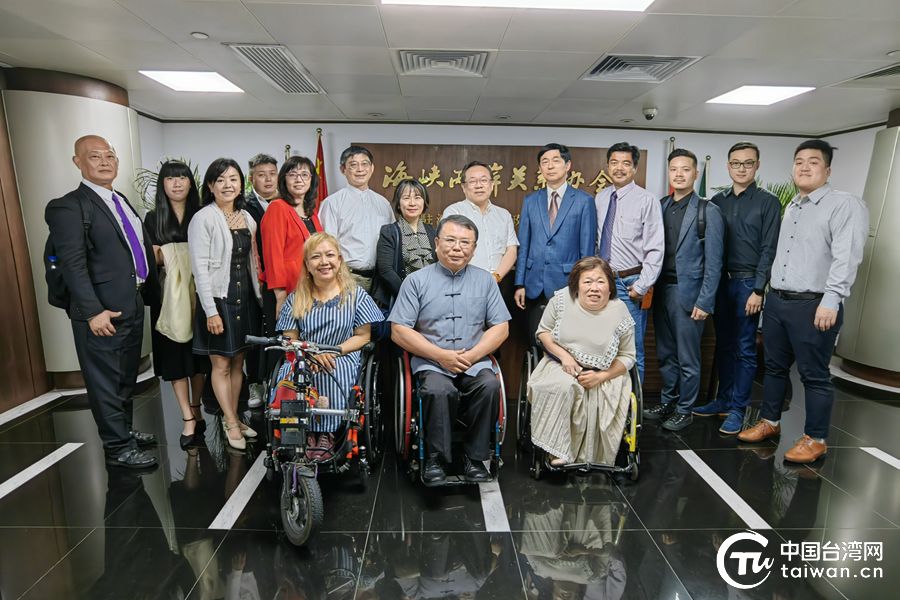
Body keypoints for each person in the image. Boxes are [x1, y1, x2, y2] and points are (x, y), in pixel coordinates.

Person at [738, 140, 868, 463]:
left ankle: (816, 439)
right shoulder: (793, 206)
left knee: (814, 374)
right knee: (774, 367)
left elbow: (847, 257)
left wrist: (832, 299)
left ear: (828, 170)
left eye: (813, 162)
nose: (804, 167)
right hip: (778, 301)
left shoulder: (844, 205)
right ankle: (770, 422)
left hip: (815, 304)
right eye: (799, 162)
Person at [44, 135, 159, 469]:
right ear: (77, 162)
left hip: (130, 304)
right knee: (104, 383)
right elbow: (72, 264)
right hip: (100, 312)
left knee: (124, 378)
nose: (105, 162)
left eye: (110, 155)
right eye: (95, 156)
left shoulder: (118, 200)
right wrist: (93, 311)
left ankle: (123, 431)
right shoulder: (68, 206)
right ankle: (118, 448)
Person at [389, 215, 511, 484]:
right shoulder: (416, 281)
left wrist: (473, 355)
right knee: (438, 389)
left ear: (474, 248)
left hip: (474, 360)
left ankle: (475, 458)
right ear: (436, 243)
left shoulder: (485, 281)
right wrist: (440, 356)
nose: (457, 247)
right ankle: (435, 459)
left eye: (465, 242)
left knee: (489, 385)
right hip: (432, 361)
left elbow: (501, 328)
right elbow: (399, 331)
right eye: (451, 240)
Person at [692, 142, 781, 435]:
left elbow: (769, 249)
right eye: (736, 163)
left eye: (748, 163)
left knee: (744, 348)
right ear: (728, 166)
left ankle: (737, 410)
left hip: (748, 284)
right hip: (721, 283)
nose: (741, 168)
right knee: (725, 344)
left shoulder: (768, 202)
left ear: (757, 166)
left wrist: (759, 289)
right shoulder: (717, 202)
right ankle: (722, 400)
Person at [274, 233, 384, 454]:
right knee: (293, 374)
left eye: (330, 255)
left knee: (333, 371)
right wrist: (309, 355)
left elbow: (363, 337)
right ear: (307, 265)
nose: (324, 262)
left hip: (341, 354)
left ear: (340, 260)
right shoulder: (297, 298)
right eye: (316, 257)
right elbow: (289, 339)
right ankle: (300, 431)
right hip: (304, 355)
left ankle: (326, 433)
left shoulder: (355, 295)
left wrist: (334, 352)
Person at [643, 149, 724, 432]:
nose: (679, 174)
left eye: (685, 169)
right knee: (665, 353)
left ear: (695, 173)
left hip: (688, 294)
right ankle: (668, 401)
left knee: (687, 356)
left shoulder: (707, 211)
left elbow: (714, 262)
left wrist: (705, 301)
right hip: (661, 290)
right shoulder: (661, 205)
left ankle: (685, 409)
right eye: (674, 169)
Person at [527, 257, 635, 466]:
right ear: (576, 285)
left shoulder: (619, 310)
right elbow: (543, 332)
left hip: (605, 373)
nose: (594, 288)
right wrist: (564, 357)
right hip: (561, 365)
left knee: (601, 398)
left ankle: (594, 454)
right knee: (562, 386)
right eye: (587, 281)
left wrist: (601, 376)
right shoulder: (560, 300)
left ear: (610, 287)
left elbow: (628, 356)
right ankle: (558, 449)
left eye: (600, 282)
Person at [188, 158, 262, 451]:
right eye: (220, 180)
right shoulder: (203, 218)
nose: (227, 185)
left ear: (241, 184)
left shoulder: (247, 217)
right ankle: (230, 421)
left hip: (246, 301)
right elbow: (200, 269)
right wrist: (210, 311)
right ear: (210, 186)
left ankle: (236, 417)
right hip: (219, 299)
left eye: (233, 179)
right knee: (220, 364)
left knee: (238, 361)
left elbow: (253, 262)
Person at [144, 160, 209, 449]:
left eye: (182, 177)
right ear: (163, 184)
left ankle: (196, 405)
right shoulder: (152, 218)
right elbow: (151, 257)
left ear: (190, 182)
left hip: (201, 296)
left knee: (198, 358)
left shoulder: (202, 213)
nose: (177, 183)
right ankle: (187, 416)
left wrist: (168, 251)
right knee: (175, 358)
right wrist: (181, 253)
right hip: (168, 298)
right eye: (170, 178)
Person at [594, 142, 664, 382]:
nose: (619, 168)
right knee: (603, 346)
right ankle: (609, 400)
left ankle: (631, 404)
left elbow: (655, 247)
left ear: (634, 168)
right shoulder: (601, 198)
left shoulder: (647, 200)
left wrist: (642, 286)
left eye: (626, 163)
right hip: (602, 283)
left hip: (630, 284)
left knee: (632, 350)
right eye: (614, 163)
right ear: (607, 166)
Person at [514, 143, 597, 340]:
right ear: (540, 168)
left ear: (567, 165)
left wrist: (584, 284)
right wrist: (519, 283)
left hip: (568, 283)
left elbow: (587, 251)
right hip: (534, 285)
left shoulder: (584, 201)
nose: (550, 166)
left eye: (555, 160)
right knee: (535, 339)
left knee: (566, 340)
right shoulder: (530, 201)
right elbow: (523, 245)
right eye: (545, 162)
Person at [319, 145, 394, 292]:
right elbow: (327, 245)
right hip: (346, 278)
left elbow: (391, 242)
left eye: (365, 164)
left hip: (380, 281)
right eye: (353, 165)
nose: (360, 169)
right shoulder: (332, 203)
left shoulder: (383, 203)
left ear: (372, 168)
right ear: (343, 169)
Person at [261, 155, 322, 319]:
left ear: (311, 180)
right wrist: (280, 295)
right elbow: (273, 255)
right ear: (284, 179)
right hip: (285, 291)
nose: (299, 179)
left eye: (304, 175)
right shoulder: (277, 207)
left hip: (308, 288)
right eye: (293, 174)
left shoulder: (311, 211)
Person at [442, 161, 519, 282]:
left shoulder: (504, 215)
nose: (479, 185)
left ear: (492, 184)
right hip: (463, 282)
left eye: (484, 180)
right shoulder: (454, 212)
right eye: (472, 181)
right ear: (463, 187)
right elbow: (449, 250)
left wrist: (496, 277)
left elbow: (511, 250)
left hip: (498, 283)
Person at [244, 154, 278, 407]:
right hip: (253, 278)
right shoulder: (244, 206)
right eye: (261, 175)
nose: (268, 179)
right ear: (251, 178)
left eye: (272, 174)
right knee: (255, 331)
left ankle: (277, 381)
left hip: (280, 278)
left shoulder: (286, 202)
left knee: (279, 331)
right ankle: (255, 383)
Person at [372, 178, 437, 309]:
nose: (412, 203)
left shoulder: (431, 231)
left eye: (417, 197)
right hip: (401, 299)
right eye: (406, 198)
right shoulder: (389, 231)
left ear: (424, 202)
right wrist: (411, 296)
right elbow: (386, 270)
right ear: (398, 203)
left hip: (430, 299)